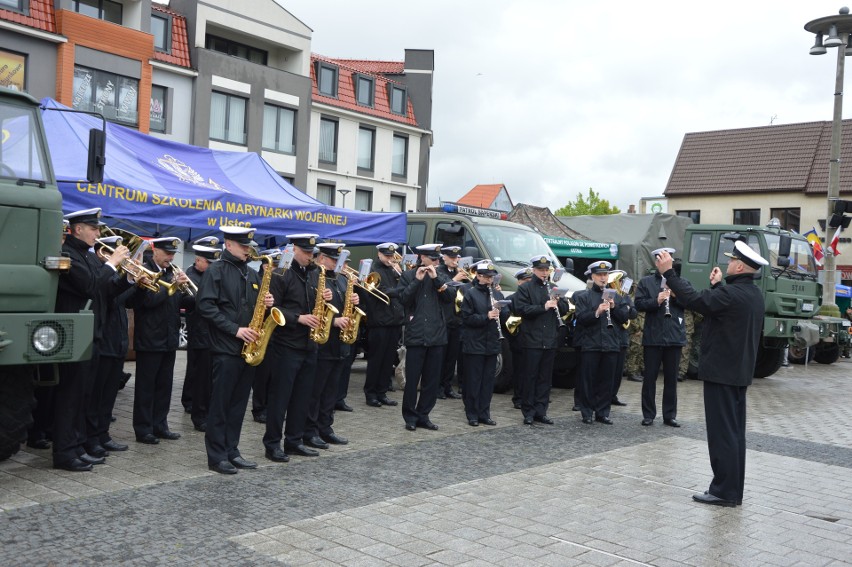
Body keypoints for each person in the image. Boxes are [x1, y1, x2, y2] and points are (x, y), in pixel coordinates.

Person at [655, 241, 767, 507]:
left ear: (740, 265)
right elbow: (724, 309)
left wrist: (669, 273)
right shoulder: (751, 294)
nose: (727, 264)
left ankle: (723, 492)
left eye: (731, 261)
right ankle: (731, 490)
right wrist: (718, 286)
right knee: (734, 434)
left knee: (722, 435)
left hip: (722, 374)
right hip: (737, 374)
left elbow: (696, 300)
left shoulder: (731, 295)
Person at [53, 208, 130, 471]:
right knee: (70, 397)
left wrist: (128, 278)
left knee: (83, 396)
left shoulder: (86, 256)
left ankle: (76, 446)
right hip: (74, 335)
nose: (98, 232)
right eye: (93, 228)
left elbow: (105, 290)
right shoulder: (67, 255)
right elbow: (89, 285)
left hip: (92, 333)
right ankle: (64, 452)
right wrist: (112, 263)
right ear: (77, 229)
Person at [197, 226, 272, 474]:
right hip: (225, 347)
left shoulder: (251, 273)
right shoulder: (215, 270)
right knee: (220, 404)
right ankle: (217, 456)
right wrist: (235, 330)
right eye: (243, 246)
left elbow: (255, 307)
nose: (248, 251)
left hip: (248, 348)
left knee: (238, 404)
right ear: (228, 244)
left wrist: (268, 303)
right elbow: (206, 307)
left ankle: (232, 450)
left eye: (249, 247)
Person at [264, 234, 333, 461]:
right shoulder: (280, 273)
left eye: (312, 254)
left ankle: (294, 440)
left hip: (309, 345)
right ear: (294, 249)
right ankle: (272, 444)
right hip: (285, 345)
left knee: (302, 398)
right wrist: (298, 318)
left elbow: (315, 305)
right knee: (280, 398)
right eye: (305, 253)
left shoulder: (314, 273)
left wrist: (325, 298)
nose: (309, 257)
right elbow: (272, 310)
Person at [126, 237, 193, 445]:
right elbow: (148, 302)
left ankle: (160, 425)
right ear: (155, 251)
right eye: (167, 253)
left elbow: (182, 302)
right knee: (146, 386)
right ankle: (143, 429)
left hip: (169, 337)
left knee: (165, 385)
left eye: (172, 254)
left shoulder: (172, 273)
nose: (170, 257)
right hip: (149, 338)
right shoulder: (144, 271)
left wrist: (190, 289)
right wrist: (171, 286)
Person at [303, 243, 358, 449]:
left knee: (331, 392)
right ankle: (310, 431)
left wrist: (354, 300)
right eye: (334, 259)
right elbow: (310, 307)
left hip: (339, 345)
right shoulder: (314, 278)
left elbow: (345, 307)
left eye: (339, 260)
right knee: (315, 392)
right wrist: (333, 322)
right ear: (322, 258)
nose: (338, 263)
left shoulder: (342, 279)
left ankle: (326, 428)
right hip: (322, 343)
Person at [398, 243, 456, 431]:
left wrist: (437, 280)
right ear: (422, 258)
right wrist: (416, 280)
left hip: (437, 335)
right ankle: (410, 417)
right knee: (412, 380)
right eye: (433, 259)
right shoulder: (407, 276)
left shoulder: (441, 275)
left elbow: (450, 296)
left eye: (437, 259)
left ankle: (424, 415)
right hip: (416, 335)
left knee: (431, 381)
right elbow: (404, 299)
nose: (436, 262)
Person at [512, 256, 570, 425]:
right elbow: (521, 309)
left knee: (545, 378)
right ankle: (528, 411)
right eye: (541, 270)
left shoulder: (553, 288)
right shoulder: (526, 288)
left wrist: (559, 302)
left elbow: (565, 309)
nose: (544, 273)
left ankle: (541, 411)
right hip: (532, 339)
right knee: (530, 377)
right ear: (534, 270)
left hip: (550, 339)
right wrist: (543, 306)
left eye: (547, 270)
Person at [573, 261, 631, 425]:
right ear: (592, 276)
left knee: (607, 381)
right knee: (588, 381)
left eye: (605, 275)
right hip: (591, 344)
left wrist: (614, 308)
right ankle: (586, 412)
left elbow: (625, 318)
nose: (603, 278)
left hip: (612, 344)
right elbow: (581, 319)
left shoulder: (617, 296)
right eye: (599, 275)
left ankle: (602, 412)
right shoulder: (584, 297)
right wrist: (597, 312)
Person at [636, 248, 686, 427]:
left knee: (671, 379)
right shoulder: (647, 282)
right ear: (656, 262)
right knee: (649, 378)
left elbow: (689, 302)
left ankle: (669, 415)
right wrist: (655, 301)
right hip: (653, 336)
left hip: (674, 336)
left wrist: (674, 295)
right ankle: (648, 414)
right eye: (660, 260)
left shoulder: (679, 282)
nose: (664, 262)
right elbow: (638, 304)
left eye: (668, 259)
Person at [460, 261, 506, 426]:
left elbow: (506, 314)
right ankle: (472, 414)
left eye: (491, 277)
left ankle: (484, 413)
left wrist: (501, 310)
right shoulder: (471, 294)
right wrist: (486, 317)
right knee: (474, 381)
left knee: (488, 381)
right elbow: (466, 319)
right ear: (478, 276)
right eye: (486, 277)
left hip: (492, 343)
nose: (489, 280)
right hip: (474, 343)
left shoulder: (497, 294)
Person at [183, 241, 221, 432]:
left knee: (208, 377)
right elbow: (187, 302)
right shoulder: (191, 276)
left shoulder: (211, 276)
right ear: (198, 260)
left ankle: (206, 410)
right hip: (199, 332)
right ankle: (198, 414)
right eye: (209, 262)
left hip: (212, 333)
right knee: (199, 377)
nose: (212, 266)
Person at [361, 243, 405, 408]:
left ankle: (382, 392)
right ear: (379, 253)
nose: (390, 259)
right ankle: (370, 393)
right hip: (379, 322)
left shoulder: (394, 270)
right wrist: (400, 287)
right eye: (387, 255)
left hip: (394, 321)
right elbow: (382, 290)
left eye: (392, 256)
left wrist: (402, 274)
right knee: (376, 360)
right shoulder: (373, 270)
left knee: (387, 360)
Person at [437, 245, 468, 399]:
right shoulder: (439, 271)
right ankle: (438, 387)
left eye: (457, 258)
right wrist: (455, 279)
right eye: (452, 257)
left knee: (452, 357)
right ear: (445, 257)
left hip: (457, 319)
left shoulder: (459, 272)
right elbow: (441, 290)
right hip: (444, 319)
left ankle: (448, 386)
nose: (455, 260)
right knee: (440, 357)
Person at [508, 267, 533, 409]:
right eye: (525, 281)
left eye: (530, 280)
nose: (528, 283)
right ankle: (518, 398)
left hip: (533, 338)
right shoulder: (511, 299)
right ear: (519, 282)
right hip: (519, 338)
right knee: (520, 371)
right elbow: (508, 320)